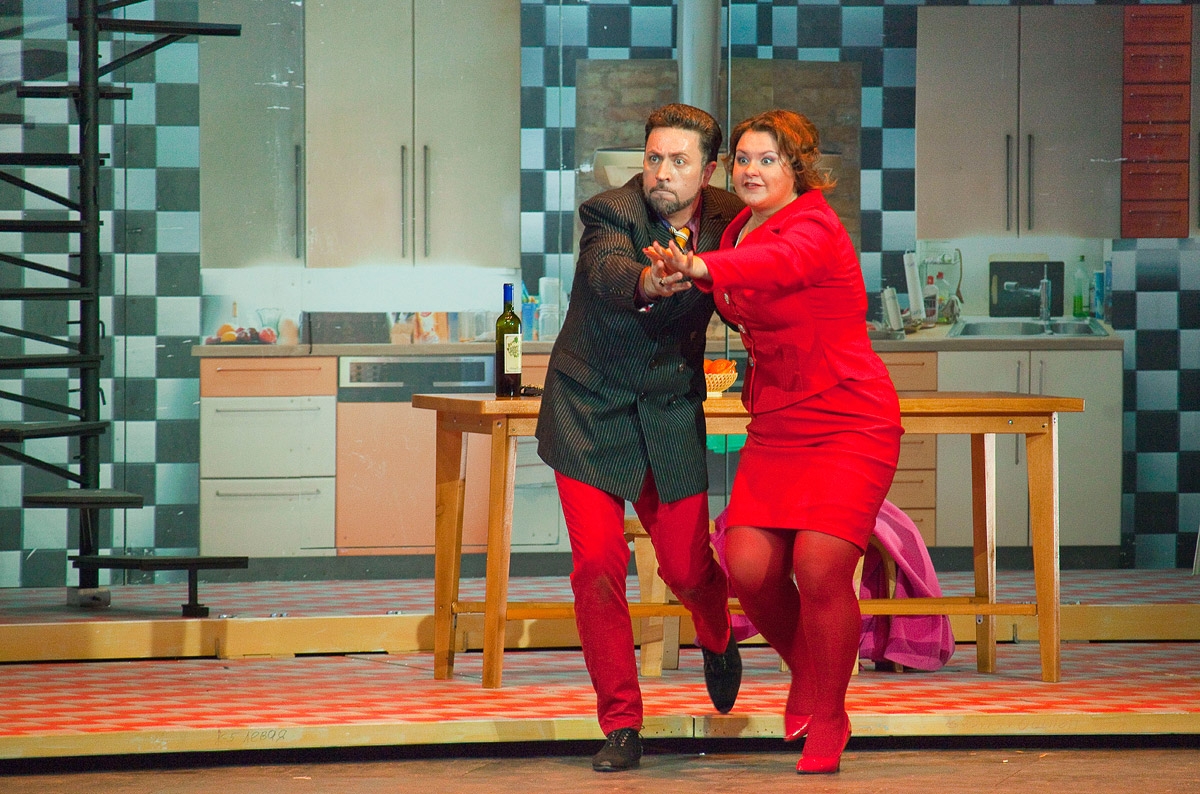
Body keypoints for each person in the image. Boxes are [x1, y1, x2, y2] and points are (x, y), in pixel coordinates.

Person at [645, 109, 903, 775]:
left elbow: (777, 265)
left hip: (848, 416)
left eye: (767, 160)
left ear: (797, 169)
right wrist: (673, 275)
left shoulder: (814, 225)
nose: (751, 171)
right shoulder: (738, 225)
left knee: (819, 566)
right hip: (779, 421)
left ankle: (830, 713)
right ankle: (810, 672)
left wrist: (700, 265)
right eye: (744, 160)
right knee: (749, 567)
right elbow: (739, 267)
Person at [535, 103, 746, 773]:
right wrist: (651, 280)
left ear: (707, 171)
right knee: (597, 567)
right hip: (588, 408)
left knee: (686, 567)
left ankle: (717, 634)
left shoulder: (731, 217)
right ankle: (622, 722)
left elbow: (761, 274)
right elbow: (606, 272)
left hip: (668, 409)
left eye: (678, 161)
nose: (661, 172)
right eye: (654, 157)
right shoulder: (611, 212)